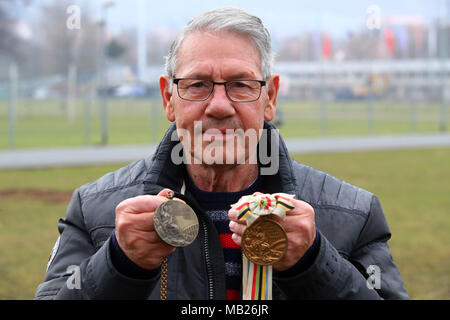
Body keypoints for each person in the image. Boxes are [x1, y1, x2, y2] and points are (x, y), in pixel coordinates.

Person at [35, 7, 408, 300]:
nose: (218, 105)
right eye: (197, 85)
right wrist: (118, 264)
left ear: (270, 97)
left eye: (240, 84)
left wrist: (313, 263)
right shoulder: (95, 212)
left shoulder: (353, 215)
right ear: (168, 98)